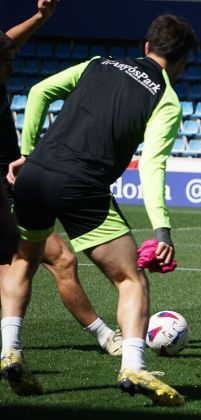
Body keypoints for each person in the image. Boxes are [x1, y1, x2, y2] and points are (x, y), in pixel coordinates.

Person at [1, 14, 197, 406]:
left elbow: (39, 90)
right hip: (82, 186)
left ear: (146, 46)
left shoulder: (98, 63)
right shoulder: (167, 98)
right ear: (183, 62)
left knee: (22, 263)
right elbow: (153, 166)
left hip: (36, 175)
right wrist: (162, 230)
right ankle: (134, 366)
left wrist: (27, 152)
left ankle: (9, 350)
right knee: (131, 280)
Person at [0, 1, 122, 356]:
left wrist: (40, 18)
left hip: (11, 185)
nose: (13, 65)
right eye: (6, 62)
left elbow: (8, 40)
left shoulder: (1, 62)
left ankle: (12, 351)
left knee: (14, 269)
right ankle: (105, 337)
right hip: (4, 189)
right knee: (61, 259)